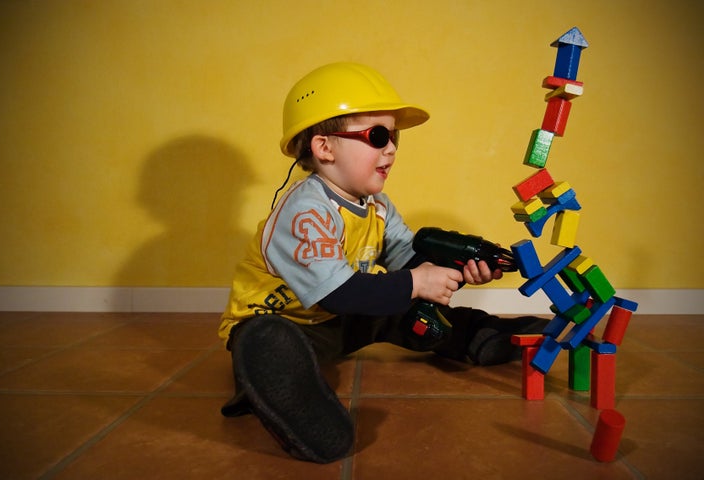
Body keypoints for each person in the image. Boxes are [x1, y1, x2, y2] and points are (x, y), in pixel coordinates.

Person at [218, 62, 547, 463]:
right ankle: (284, 391)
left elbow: (408, 261)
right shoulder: (306, 211)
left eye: (394, 137)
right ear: (324, 147)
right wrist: (417, 282)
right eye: (377, 136)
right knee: (269, 341)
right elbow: (341, 293)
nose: (390, 148)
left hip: (337, 319)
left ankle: (485, 337)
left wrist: (458, 271)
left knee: (411, 308)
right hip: (287, 323)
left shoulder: (376, 205)